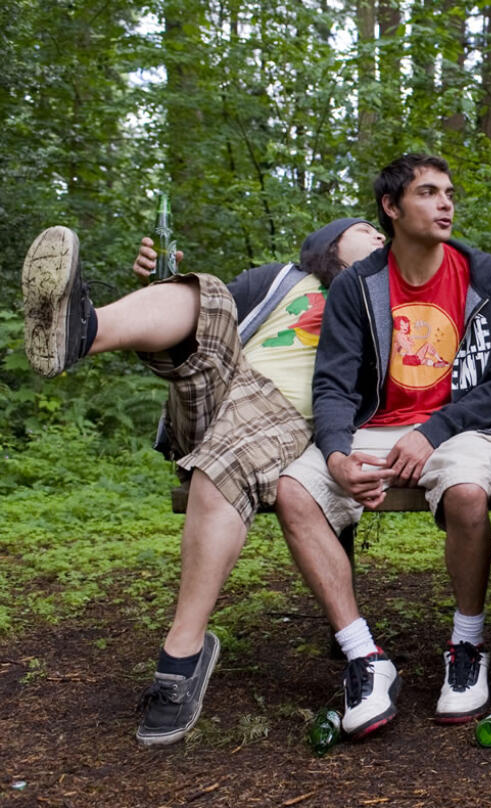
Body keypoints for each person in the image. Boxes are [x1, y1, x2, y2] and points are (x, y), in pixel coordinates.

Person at [20, 216, 386, 745]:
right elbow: (194, 328)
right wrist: (160, 283)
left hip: (289, 417)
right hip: (217, 391)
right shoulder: (283, 279)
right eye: (366, 229)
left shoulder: (383, 303)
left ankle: (182, 653)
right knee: (208, 292)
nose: (378, 236)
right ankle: (82, 330)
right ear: (328, 245)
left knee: (222, 464)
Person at [276, 154, 491, 737]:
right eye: (427, 193)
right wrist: (338, 453)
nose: (445, 203)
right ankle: (364, 656)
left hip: (458, 426)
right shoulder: (357, 286)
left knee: (468, 494)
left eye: (448, 193)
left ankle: (466, 647)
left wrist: (431, 432)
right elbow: (334, 385)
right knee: (294, 491)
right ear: (391, 208)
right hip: (374, 427)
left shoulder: (480, 275)